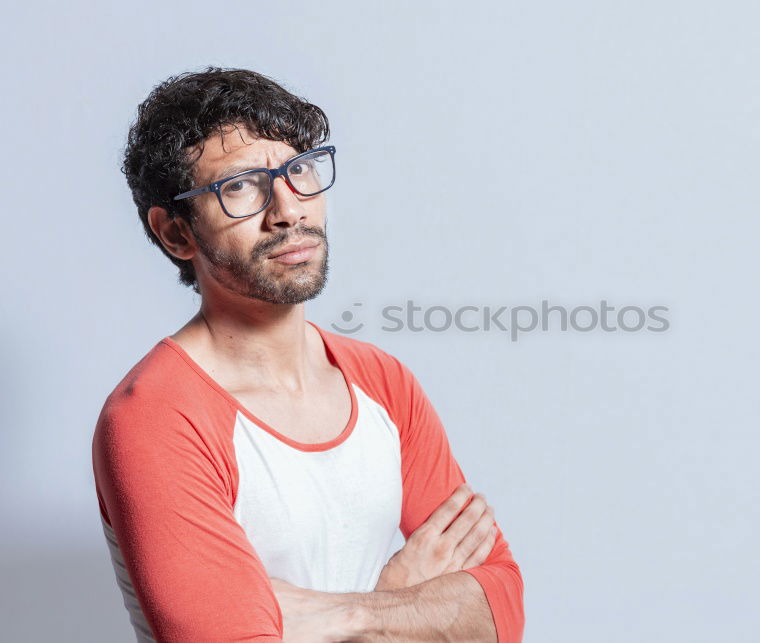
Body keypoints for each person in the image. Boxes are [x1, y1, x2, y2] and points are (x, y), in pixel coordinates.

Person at [91, 66, 524, 642]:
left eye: (299, 170)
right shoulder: (156, 418)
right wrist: (410, 605)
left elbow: (501, 610)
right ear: (176, 234)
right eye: (240, 186)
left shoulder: (380, 381)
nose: (289, 209)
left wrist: (359, 611)